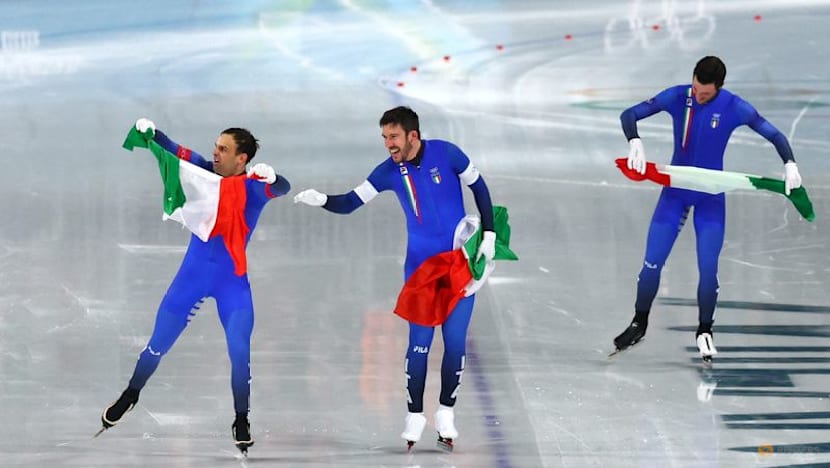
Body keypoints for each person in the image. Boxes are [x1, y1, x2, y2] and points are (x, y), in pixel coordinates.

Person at [293, 106, 496, 450]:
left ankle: (446, 412)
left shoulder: (447, 153)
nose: (388, 143)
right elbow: (350, 202)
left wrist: (488, 233)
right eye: (384, 137)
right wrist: (323, 200)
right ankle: (414, 415)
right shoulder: (388, 172)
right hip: (420, 271)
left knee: (456, 342)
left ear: (412, 135)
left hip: (459, 265)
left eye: (393, 137)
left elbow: (480, 188)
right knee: (419, 344)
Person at [100, 118, 291, 454]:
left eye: (223, 149)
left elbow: (283, 188)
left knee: (239, 353)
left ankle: (241, 418)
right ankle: (131, 394)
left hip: (232, 284)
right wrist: (151, 131)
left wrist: (275, 178)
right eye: (215, 146)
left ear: (241, 159)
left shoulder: (253, 187)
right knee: (157, 345)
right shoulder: (202, 172)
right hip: (192, 278)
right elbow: (172, 150)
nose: (214, 153)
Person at [613, 56, 803, 363]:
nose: (699, 97)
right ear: (693, 78)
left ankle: (704, 330)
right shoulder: (678, 95)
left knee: (708, 267)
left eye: (706, 95)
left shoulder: (734, 106)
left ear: (719, 88)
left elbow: (775, 135)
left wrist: (790, 163)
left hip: (710, 197)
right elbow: (630, 113)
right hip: (675, 192)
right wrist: (634, 140)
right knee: (651, 263)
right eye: (697, 90)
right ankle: (640, 322)